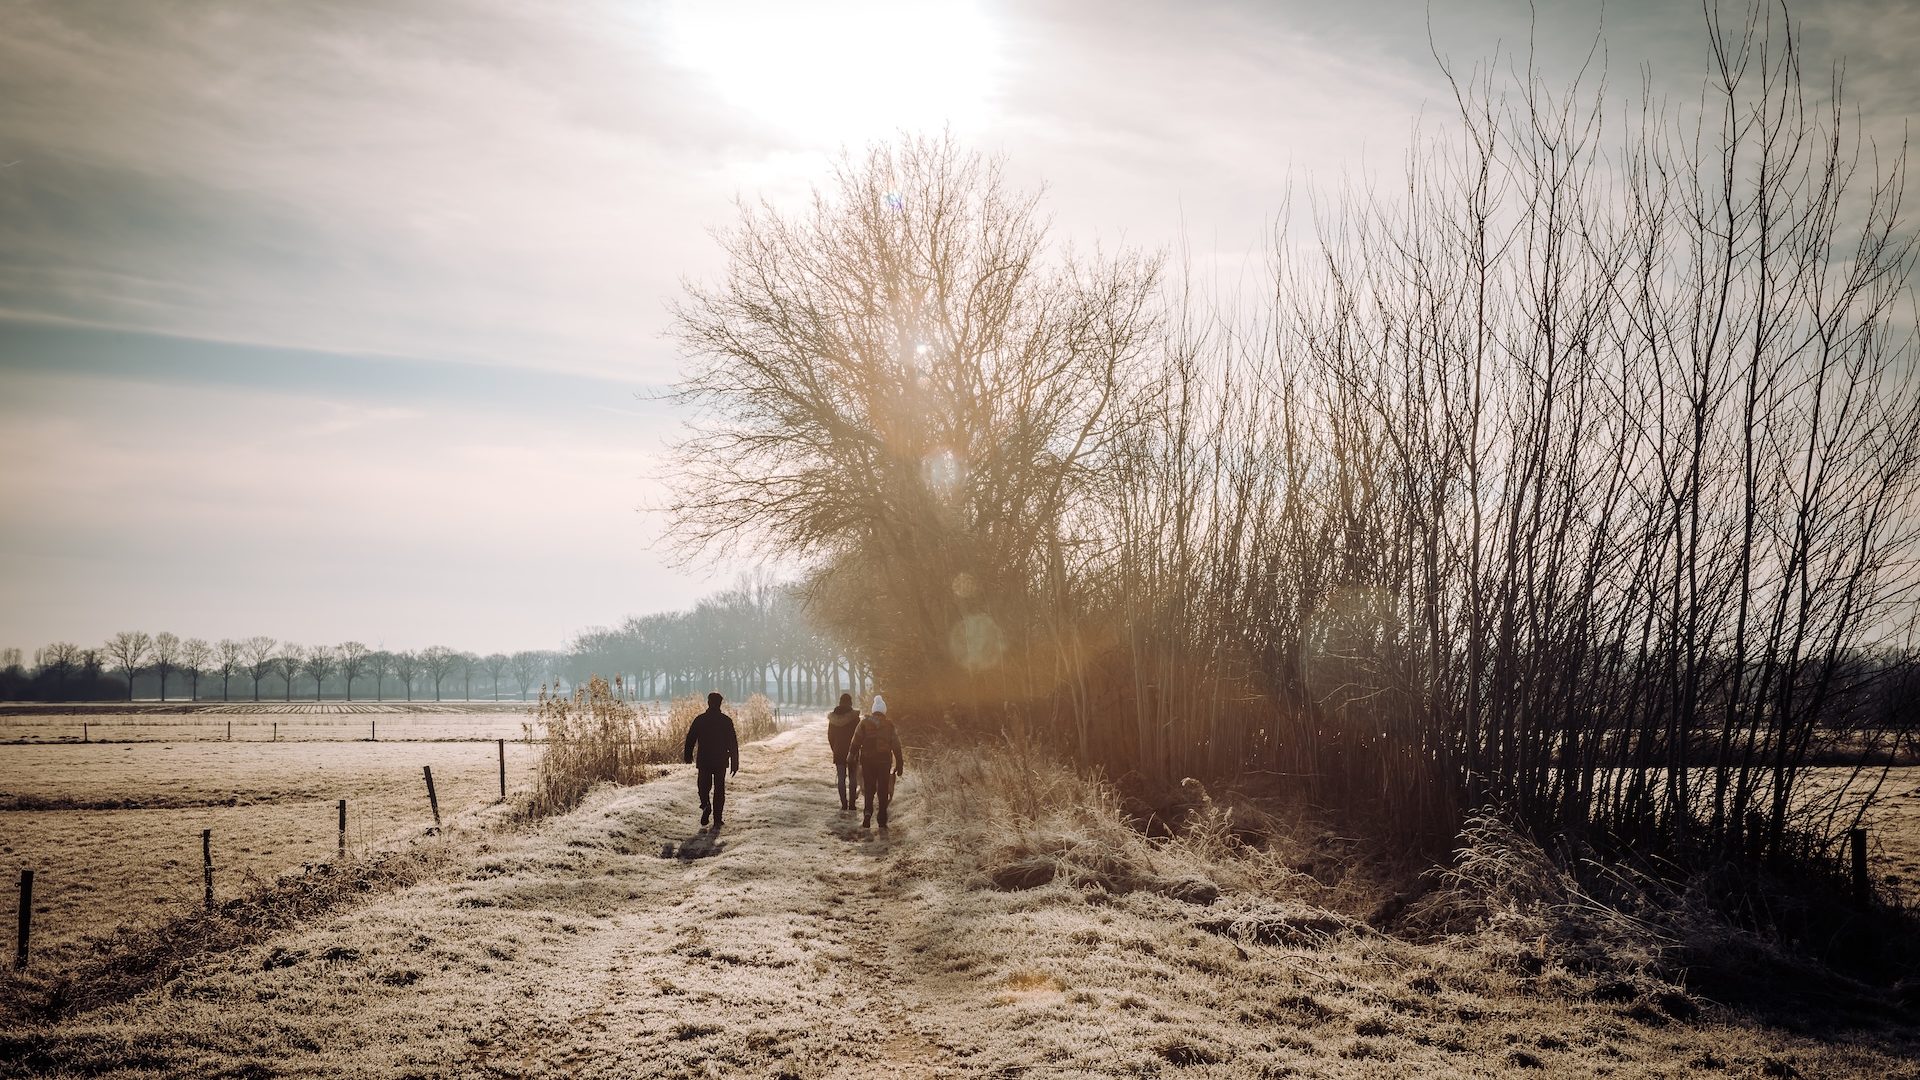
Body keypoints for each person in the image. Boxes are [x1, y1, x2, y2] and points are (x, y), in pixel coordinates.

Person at [682, 691, 739, 830]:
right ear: (720, 704)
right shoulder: (726, 720)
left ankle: (705, 804)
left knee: (703, 786)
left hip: (704, 759)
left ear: (708, 702)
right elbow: (733, 743)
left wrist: (688, 755)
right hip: (720, 760)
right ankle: (718, 819)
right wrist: (734, 762)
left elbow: (691, 739)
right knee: (719, 789)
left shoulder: (700, 719)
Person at [848, 704, 904, 831]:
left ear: (873, 711)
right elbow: (896, 745)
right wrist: (899, 762)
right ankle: (882, 820)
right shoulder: (889, 725)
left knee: (869, 788)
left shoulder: (864, 723)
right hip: (884, 761)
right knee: (883, 790)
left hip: (867, 760)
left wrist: (850, 756)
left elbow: (855, 741)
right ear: (884, 711)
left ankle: (867, 813)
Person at [826, 692, 863, 812]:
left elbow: (830, 737)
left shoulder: (833, 719)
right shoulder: (855, 718)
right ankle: (852, 805)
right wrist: (857, 749)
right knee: (853, 778)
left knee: (841, 778)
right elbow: (860, 736)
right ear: (850, 703)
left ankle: (843, 804)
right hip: (852, 751)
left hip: (838, 751)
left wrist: (835, 749)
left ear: (840, 702)